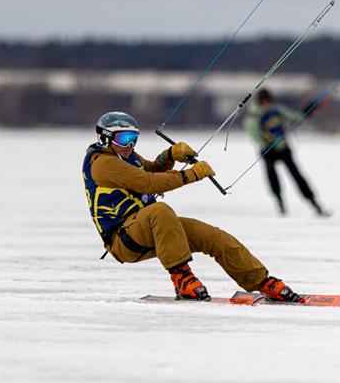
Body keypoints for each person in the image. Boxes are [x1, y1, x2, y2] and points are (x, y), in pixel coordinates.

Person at [82, 111, 303, 302]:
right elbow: (147, 183)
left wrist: (169, 156)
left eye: (134, 138)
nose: (130, 145)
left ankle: (262, 282)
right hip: (123, 239)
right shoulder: (103, 163)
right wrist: (191, 175)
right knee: (160, 210)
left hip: (150, 227)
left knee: (213, 236)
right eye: (124, 138)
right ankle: (182, 278)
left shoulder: (125, 156)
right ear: (105, 138)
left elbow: (150, 170)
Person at [244, 88, 329, 217]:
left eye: (269, 101)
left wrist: (307, 111)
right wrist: (269, 144)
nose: (268, 104)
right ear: (260, 102)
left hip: (283, 148)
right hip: (268, 151)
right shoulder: (253, 118)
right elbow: (256, 137)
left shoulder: (276, 111)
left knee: (297, 176)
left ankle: (314, 204)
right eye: (265, 102)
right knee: (272, 177)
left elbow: (294, 118)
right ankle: (280, 204)